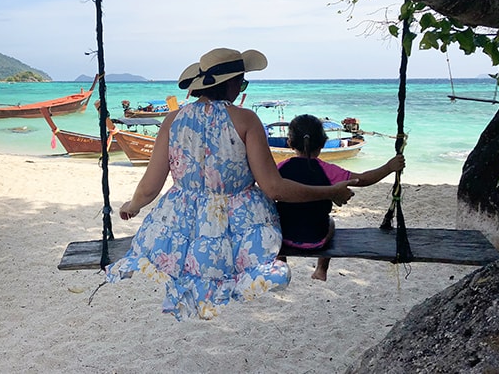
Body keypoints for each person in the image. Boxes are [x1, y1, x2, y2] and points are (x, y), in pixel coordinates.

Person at [105, 48, 357, 320]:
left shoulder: (172, 120)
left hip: (181, 226)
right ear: (233, 83)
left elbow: (150, 187)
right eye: (242, 81)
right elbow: (274, 188)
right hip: (239, 226)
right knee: (258, 259)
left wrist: (133, 206)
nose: (241, 87)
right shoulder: (246, 119)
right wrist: (330, 191)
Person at [275, 114, 406, 281]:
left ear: (290, 143)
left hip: (285, 238)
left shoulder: (281, 168)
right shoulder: (328, 171)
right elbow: (363, 179)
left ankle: (281, 261)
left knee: (277, 218)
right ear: (323, 143)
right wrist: (389, 167)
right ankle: (321, 269)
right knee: (331, 221)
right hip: (317, 238)